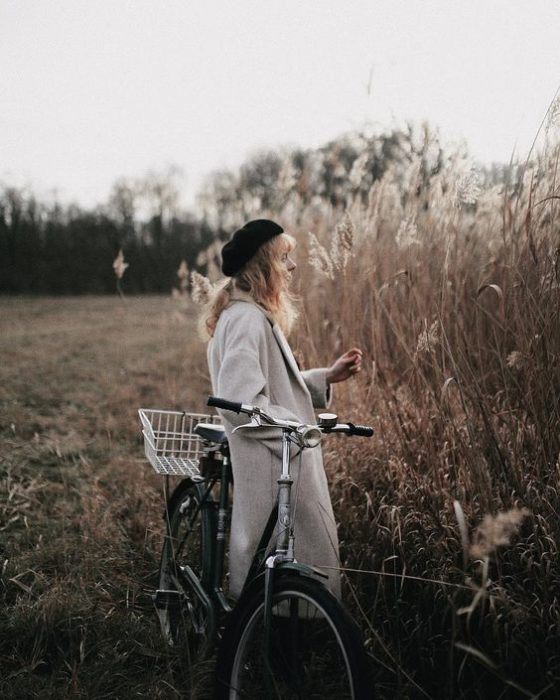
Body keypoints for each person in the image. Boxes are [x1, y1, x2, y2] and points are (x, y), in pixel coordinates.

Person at [201, 219, 362, 600]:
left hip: (274, 463)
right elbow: (242, 403)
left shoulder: (247, 315)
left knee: (281, 571)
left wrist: (326, 377)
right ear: (262, 268)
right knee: (279, 572)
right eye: (284, 258)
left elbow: (270, 386)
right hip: (273, 467)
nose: (292, 268)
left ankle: (274, 634)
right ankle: (267, 640)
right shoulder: (246, 320)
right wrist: (297, 430)